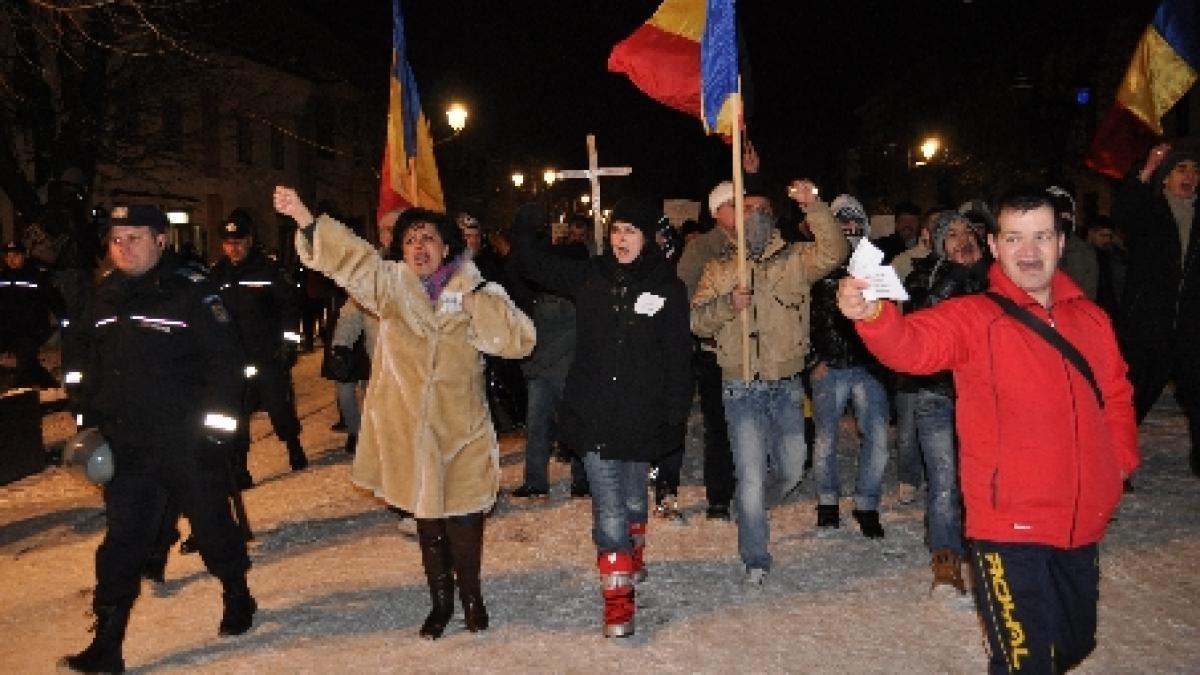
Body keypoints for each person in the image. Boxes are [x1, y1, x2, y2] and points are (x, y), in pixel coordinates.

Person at [836, 186, 1138, 673]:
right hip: (1009, 526)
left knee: (1074, 644)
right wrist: (873, 315)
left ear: (1062, 242)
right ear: (995, 246)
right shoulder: (977, 318)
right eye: (1015, 238)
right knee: (1025, 663)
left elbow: (1117, 395)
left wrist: (1118, 462)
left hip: (1081, 522)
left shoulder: (1091, 319)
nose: (1029, 252)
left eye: (1041, 237)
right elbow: (911, 346)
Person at [273, 186, 535, 640]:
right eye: (410, 239)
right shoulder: (390, 286)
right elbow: (351, 260)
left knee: (465, 522)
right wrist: (303, 217)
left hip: (462, 431)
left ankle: (472, 598)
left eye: (428, 238)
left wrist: (476, 301)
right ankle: (440, 604)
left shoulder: (476, 288)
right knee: (427, 524)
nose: (418, 247)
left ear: (447, 246)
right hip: (410, 431)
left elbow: (519, 340)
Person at [59, 205, 254, 673]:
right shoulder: (103, 296)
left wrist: (216, 431)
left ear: (162, 239)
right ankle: (107, 641)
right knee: (122, 542)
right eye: (116, 239)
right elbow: (79, 358)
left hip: (188, 441)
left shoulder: (191, 291)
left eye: (135, 237)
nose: (123, 247)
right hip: (128, 445)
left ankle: (236, 592)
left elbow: (226, 367)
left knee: (212, 526)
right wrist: (87, 414)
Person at [509, 197, 693, 638]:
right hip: (591, 411)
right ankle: (619, 604)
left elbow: (678, 361)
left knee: (633, 498)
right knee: (609, 510)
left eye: (631, 231)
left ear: (647, 236)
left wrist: (673, 418)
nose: (621, 239)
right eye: (616, 231)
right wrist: (526, 228)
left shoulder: (667, 288)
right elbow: (534, 265)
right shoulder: (591, 276)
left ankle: (634, 552)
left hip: (640, 414)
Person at [691, 176, 847, 584]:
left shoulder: (797, 259)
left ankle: (754, 505)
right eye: (747, 210)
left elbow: (835, 251)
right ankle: (755, 555)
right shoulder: (720, 269)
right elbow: (695, 319)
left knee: (794, 468)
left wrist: (815, 205)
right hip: (740, 386)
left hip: (785, 385)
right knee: (750, 475)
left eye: (762, 210)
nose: (755, 215)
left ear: (773, 217)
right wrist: (729, 304)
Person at [901, 209, 991, 595]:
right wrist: (952, 279)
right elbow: (918, 324)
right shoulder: (926, 276)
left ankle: (985, 548)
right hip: (937, 395)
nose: (961, 239)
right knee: (943, 481)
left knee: (984, 479)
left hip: (987, 397)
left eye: (967, 232)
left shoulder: (996, 278)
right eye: (951, 234)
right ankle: (945, 556)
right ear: (938, 243)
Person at [1113, 142, 1200, 477]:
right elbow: (1123, 212)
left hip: (1191, 329)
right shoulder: (1148, 214)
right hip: (1149, 327)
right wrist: (1147, 168)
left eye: (1194, 170)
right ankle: (1115, 464)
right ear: (1164, 179)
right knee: (1132, 399)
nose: (1189, 176)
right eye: (1181, 169)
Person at [809, 194, 890, 538]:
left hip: (870, 364)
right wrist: (813, 359)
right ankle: (827, 501)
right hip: (831, 366)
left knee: (878, 437)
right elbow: (803, 315)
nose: (850, 227)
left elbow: (891, 311)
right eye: (842, 221)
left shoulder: (877, 263)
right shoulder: (820, 264)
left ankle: (867, 503)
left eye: (855, 221)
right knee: (826, 438)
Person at [210, 208, 309, 479]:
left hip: (267, 354)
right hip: (234, 359)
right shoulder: (217, 275)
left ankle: (293, 444)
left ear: (250, 240)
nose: (234, 248)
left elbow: (290, 307)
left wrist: (289, 344)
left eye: (239, 242)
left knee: (278, 406)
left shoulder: (268, 270)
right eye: (229, 243)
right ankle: (239, 467)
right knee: (236, 415)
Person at [507, 206, 590, 500]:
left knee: (566, 423)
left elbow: (569, 329)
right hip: (541, 366)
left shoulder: (561, 278)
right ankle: (538, 481)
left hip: (558, 364)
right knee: (539, 426)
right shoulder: (529, 275)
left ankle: (580, 479)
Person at [676, 180, 741, 520]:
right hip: (714, 348)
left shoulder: (754, 242)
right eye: (733, 203)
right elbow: (682, 292)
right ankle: (719, 494)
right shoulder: (702, 248)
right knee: (718, 424)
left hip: (750, 349)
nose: (741, 208)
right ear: (718, 211)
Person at [1, 240, 65, 388]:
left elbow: (54, 299)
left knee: (24, 362)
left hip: (32, 330)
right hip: (8, 330)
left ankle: (17, 396)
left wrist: (64, 320)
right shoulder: (3, 278)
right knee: (30, 363)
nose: (11, 259)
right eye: (8, 256)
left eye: (15, 255)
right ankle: (51, 387)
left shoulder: (35, 277)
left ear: (23, 256)